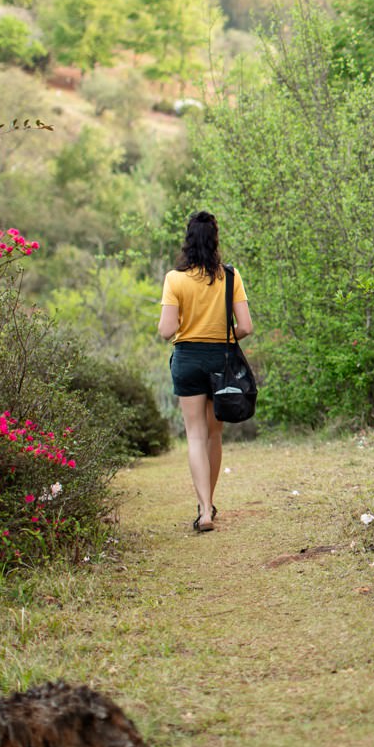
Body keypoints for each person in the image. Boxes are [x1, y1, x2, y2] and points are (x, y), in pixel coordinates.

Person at [157, 211, 252, 533]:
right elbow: (246, 327)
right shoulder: (230, 276)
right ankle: (208, 503)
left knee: (195, 436)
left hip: (187, 359)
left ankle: (203, 509)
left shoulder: (175, 279)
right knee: (214, 435)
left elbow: (166, 330)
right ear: (215, 240)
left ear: (187, 240)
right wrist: (222, 336)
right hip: (221, 360)